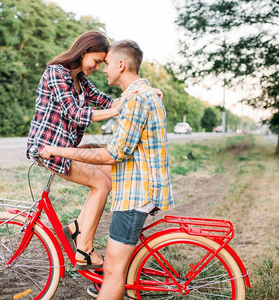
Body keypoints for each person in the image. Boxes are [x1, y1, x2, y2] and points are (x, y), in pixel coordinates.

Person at [40, 39, 174, 299]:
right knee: (101, 184)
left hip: (137, 193)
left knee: (113, 269)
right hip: (141, 186)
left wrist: (58, 150)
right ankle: (80, 234)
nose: (103, 68)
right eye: (100, 62)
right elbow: (113, 129)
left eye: (107, 63)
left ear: (121, 64)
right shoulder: (137, 96)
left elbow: (112, 153)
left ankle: (82, 241)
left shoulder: (136, 100)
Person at [27, 31, 123, 270]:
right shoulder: (56, 73)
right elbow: (75, 114)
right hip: (48, 148)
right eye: (97, 61)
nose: (98, 67)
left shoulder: (80, 79)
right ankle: (84, 250)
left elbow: (107, 101)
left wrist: (141, 94)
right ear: (84, 51)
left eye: (102, 63)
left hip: (66, 149)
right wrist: (114, 113)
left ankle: (76, 228)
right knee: (101, 185)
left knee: (111, 171)